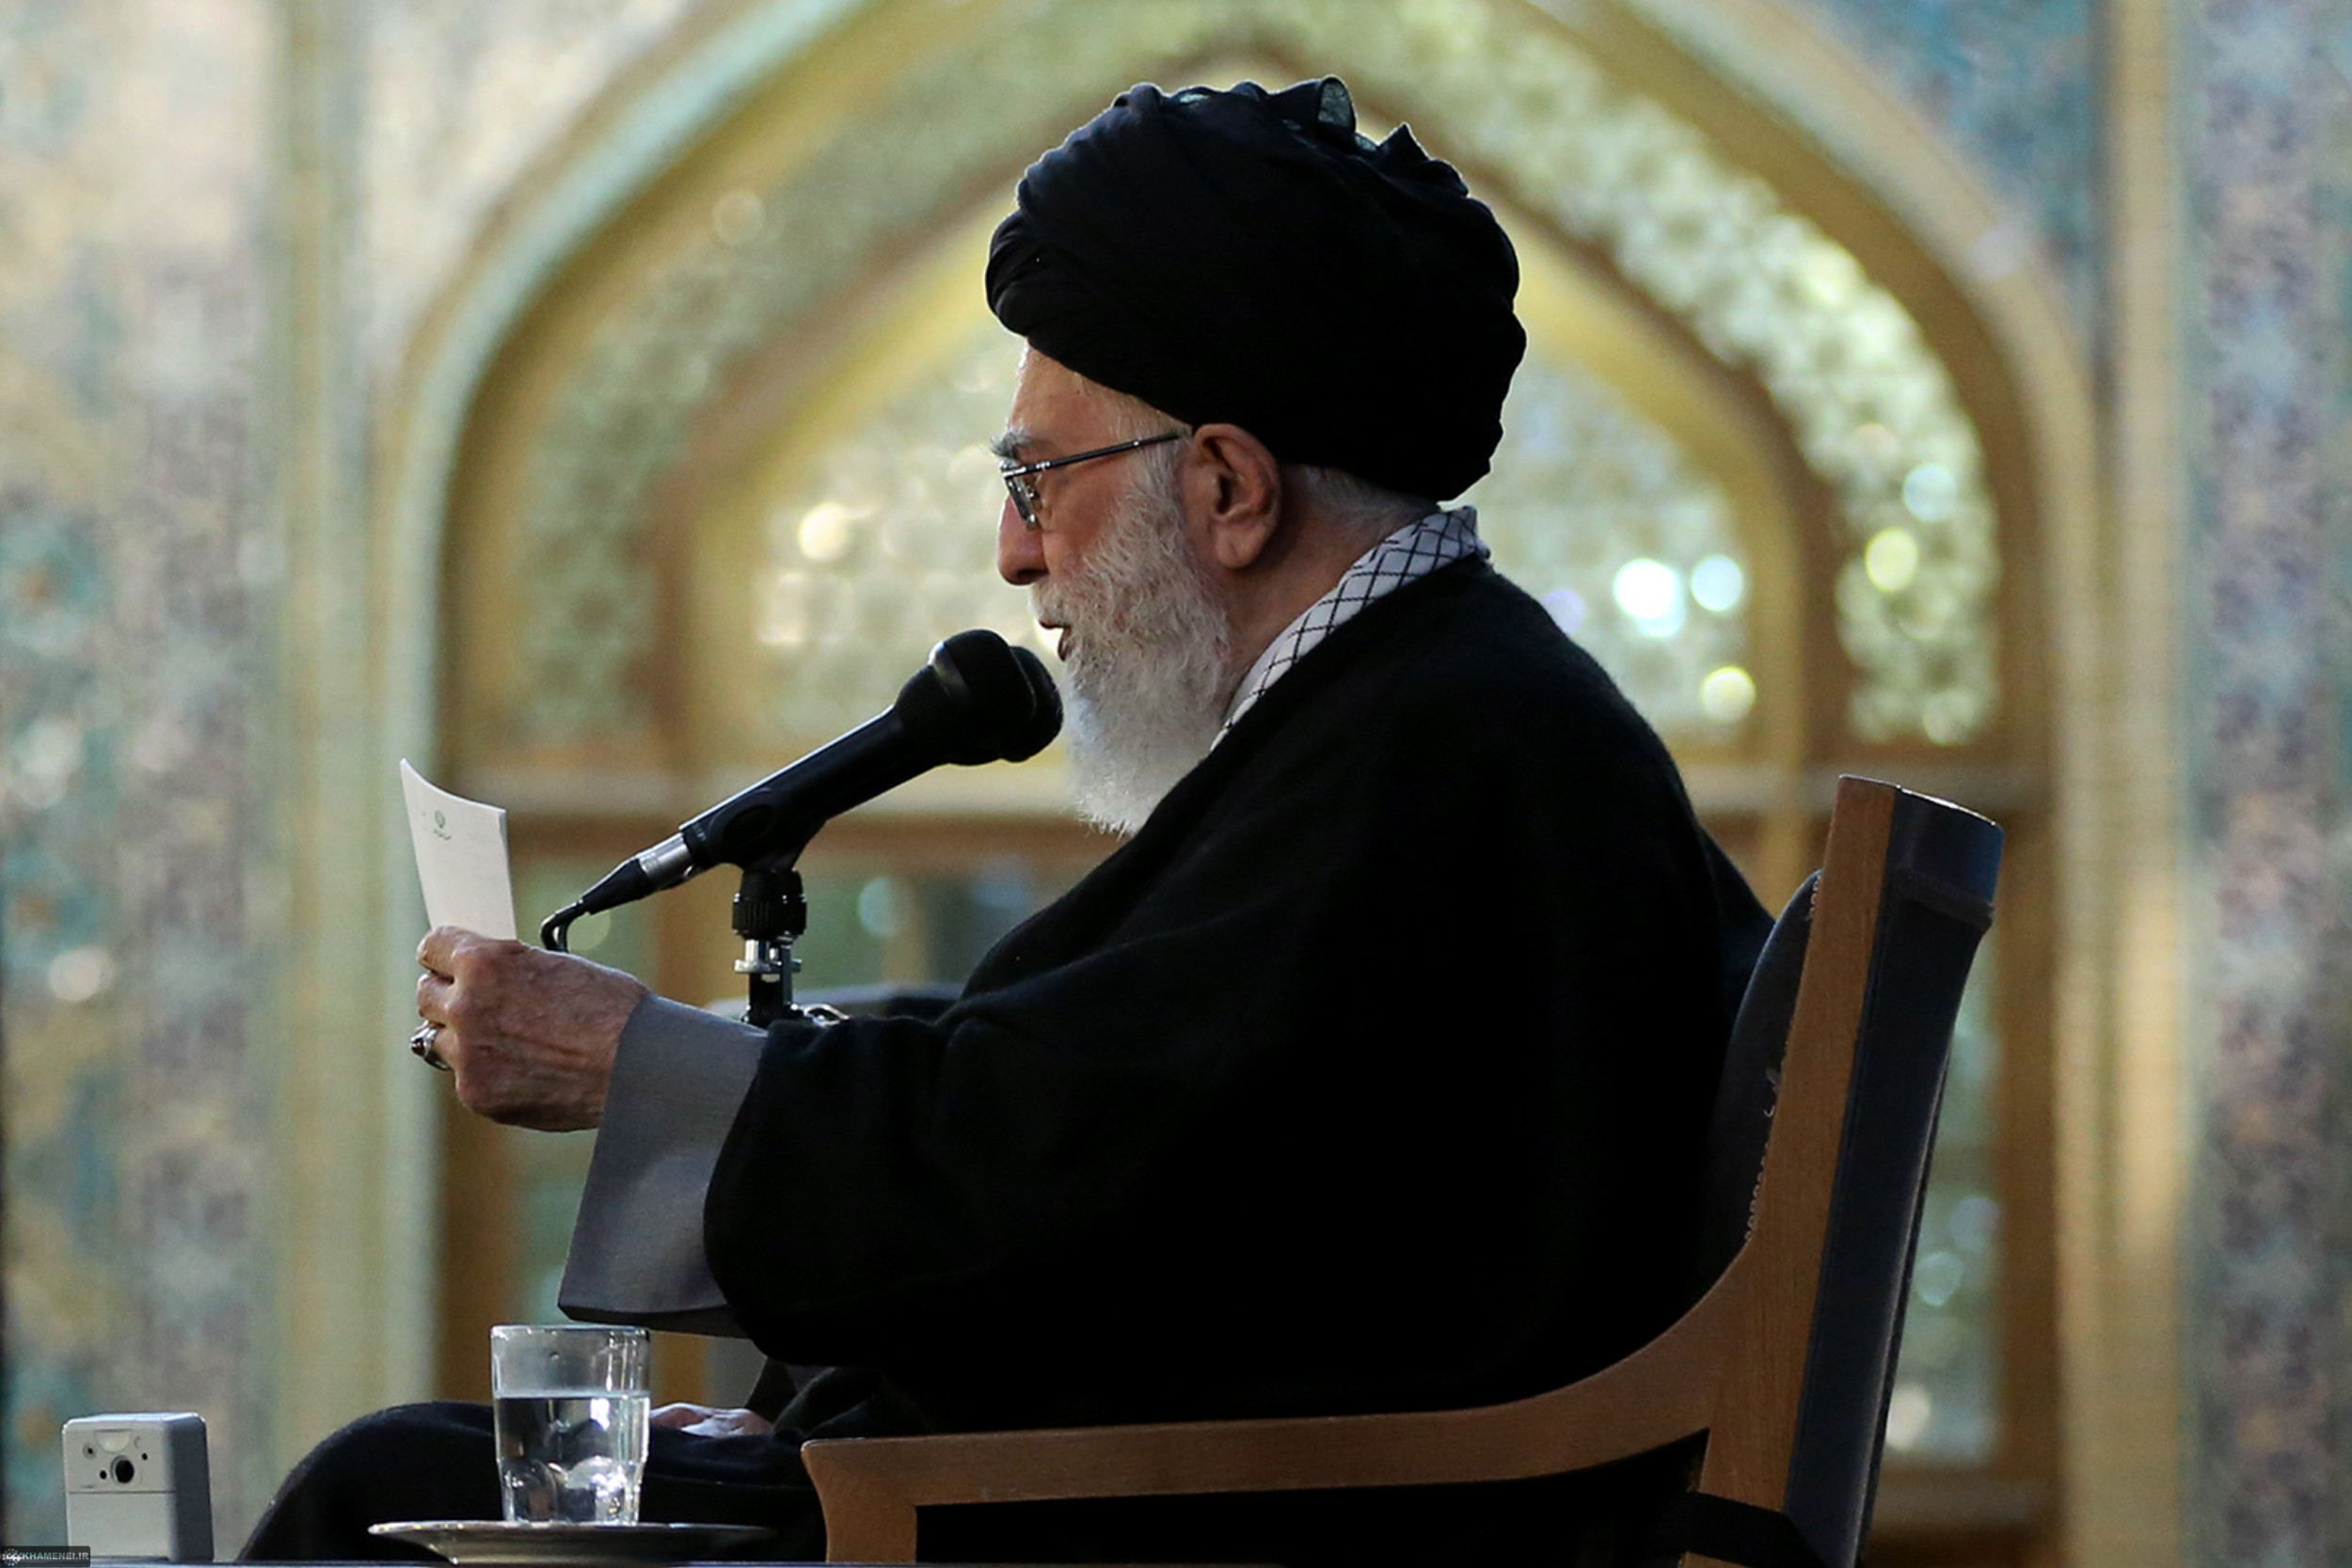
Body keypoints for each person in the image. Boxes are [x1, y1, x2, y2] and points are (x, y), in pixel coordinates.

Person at [244, 78, 1769, 1566]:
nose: (1012, 554)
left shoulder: (1439, 752)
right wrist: (762, 1132)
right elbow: (1152, 1131)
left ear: (1229, 489)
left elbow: (1075, 1180)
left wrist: (631, 1063)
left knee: (383, 1497)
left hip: (1214, 1529)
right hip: (1188, 1498)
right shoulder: (1439, 712)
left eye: (1039, 479)